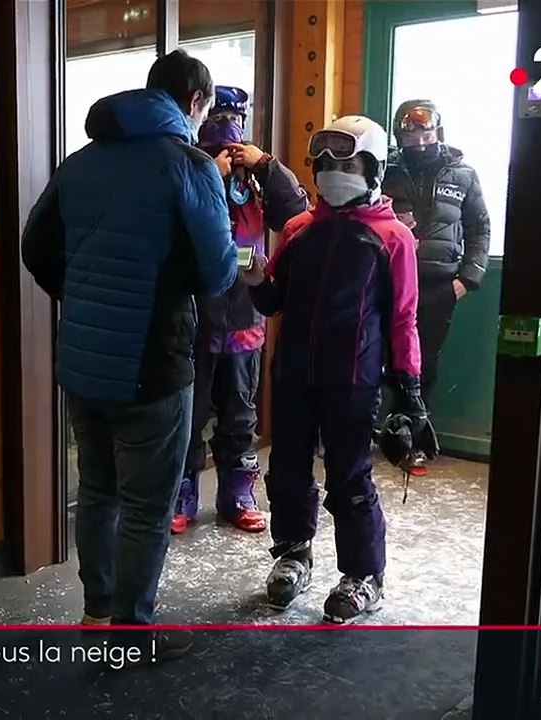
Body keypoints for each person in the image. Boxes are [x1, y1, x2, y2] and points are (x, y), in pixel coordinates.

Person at [22, 49, 238, 660]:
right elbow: (219, 272)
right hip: (154, 361)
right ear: (195, 104)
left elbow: (35, 246)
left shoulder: (80, 161)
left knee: (98, 491)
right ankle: (131, 628)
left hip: (84, 360)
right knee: (146, 504)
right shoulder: (188, 164)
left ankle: (96, 612)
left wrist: (85, 294)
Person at [243, 116, 435, 624]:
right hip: (292, 376)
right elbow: (274, 300)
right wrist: (258, 280)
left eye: (346, 163)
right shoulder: (299, 230)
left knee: (349, 478)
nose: (333, 172)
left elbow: (403, 318)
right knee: (286, 470)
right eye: (324, 163)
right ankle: (293, 553)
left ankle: (363, 575)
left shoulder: (392, 237)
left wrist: (409, 388)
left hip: (353, 380)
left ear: (372, 169)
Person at [172, 85, 308, 535]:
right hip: (194, 318)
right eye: (216, 117)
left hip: (246, 318)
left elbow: (296, 217)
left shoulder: (254, 180)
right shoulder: (189, 165)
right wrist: (210, 175)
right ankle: (183, 495)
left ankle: (237, 494)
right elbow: (176, 222)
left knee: (239, 414)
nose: (224, 128)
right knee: (189, 416)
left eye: (232, 118)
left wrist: (266, 165)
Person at [382, 100, 490, 405]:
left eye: (426, 137)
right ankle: (386, 431)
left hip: (440, 284)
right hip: (389, 281)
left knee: (425, 362)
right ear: (398, 138)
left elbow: (479, 227)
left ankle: (415, 431)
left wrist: (468, 279)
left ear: (438, 133)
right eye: (410, 139)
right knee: (384, 356)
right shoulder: (383, 171)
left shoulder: (464, 174)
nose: (419, 144)